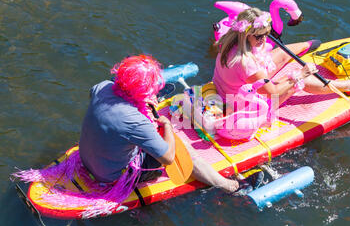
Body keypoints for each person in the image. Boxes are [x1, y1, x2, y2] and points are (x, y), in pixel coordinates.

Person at [79, 54, 239, 194]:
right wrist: (167, 126)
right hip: (113, 177)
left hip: (87, 160)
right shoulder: (137, 122)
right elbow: (168, 158)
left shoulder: (101, 87)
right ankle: (225, 185)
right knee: (181, 147)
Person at [213, 7, 350, 115]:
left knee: (270, 56)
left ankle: (306, 45)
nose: (264, 39)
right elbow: (273, 92)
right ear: (246, 34)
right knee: (297, 80)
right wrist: (301, 75)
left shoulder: (228, 40)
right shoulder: (247, 63)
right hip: (243, 107)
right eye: (259, 36)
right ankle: (349, 86)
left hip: (226, 90)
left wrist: (259, 39)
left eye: (266, 34)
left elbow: (255, 63)